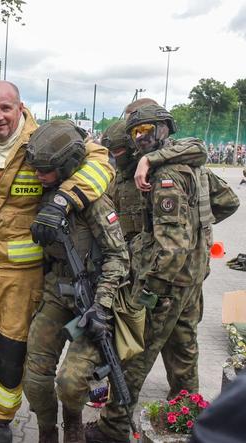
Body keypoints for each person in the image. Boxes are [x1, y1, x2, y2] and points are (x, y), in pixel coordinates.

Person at [0, 80, 115, 443]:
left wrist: (62, 201)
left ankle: (1, 417)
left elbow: (101, 162)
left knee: (11, 350)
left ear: (20, 107)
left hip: (23, 273)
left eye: (5, 108)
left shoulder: (44, 139)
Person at [85, 104, 211, 443]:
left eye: (148, 131)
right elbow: (225, 203)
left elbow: (170, 247)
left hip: (167, 284)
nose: (142, 139)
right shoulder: (190, 167)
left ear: (165, 130)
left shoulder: (163, 176)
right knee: (184, 350)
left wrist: (148, 291)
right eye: (136, 133)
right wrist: (199, 240)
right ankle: (187, 416)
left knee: (137, 354)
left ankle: (112, 429)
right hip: (191, 279)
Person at [23, 120, 129, 443]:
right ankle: (46, 431)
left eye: (45, 170)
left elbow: (118, 257)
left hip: (93, 300)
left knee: (71, 383)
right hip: (58, 292)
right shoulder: (47, 196)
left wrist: (102, 305)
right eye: (36, 168)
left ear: (66, 165)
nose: (38, 175)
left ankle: (73, 422)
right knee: (35, 377)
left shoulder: (94, 201)